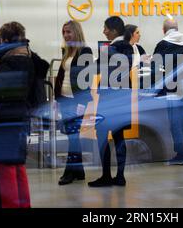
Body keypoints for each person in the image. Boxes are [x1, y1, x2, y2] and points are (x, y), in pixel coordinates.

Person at [0, 21, 34, 208]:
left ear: (5, 40)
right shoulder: (29, 59)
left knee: (5, 167)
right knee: (18, 165)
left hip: (6, 118)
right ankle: (25, 204)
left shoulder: (7, 62)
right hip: (22, 116)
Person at [88, 16, 133, 187]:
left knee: (102, 135)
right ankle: (120, 176)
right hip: (123, 97)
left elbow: (96, 68)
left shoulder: (111, 49)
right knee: (119, 136)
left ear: (114, 30)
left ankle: (106, 175)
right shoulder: (129, 47)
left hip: (108, 97)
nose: (104, 31)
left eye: (105, 28)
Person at [54, 20, 93, 185]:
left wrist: (82, 104)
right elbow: (62, 76)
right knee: (72, 136)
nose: (66, 35)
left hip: (77, 100)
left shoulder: (85, 51)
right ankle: (79, 171)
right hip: (64, 99)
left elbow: (87, 79)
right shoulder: (67, 51)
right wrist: (57, 99)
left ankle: (69, 172)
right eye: (64, 32)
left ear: (76, 32)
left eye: (69, 32)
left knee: (73, 136)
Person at [153, 19, 183, 165]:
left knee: (175, 121)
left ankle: (181, 155)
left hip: (172, 88)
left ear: (164, 30)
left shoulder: (163, 44)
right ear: (177, 28)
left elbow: (156, 68)